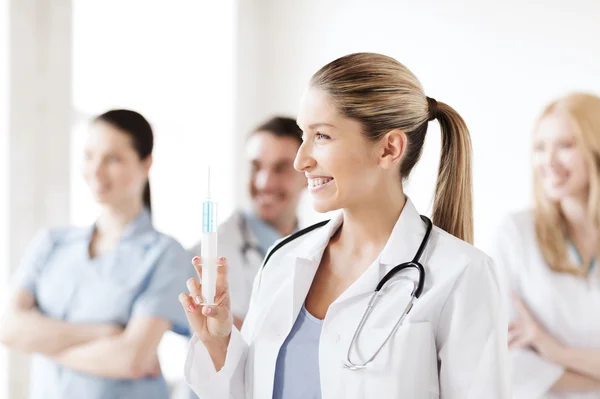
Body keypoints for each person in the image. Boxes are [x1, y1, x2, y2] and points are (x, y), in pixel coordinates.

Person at [180, 52, 510, 398]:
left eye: (321, 136)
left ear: (388, 149)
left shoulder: (461, 274)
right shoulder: (283, 260)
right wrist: (218, 343)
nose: (301, 160)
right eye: (303, 135)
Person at [0, 109, 190, 399]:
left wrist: (39, 342)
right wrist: (104, 335)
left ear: (146, 163)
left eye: (112, 159)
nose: (96, 170)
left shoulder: (165, 254)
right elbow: (8, 328)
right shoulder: (51, 243)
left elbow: (132, 359)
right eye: (89, 156)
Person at [490, 93, 600, 398]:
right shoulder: (515, 234)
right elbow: (505, 357)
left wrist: (555, 351)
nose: (548, 162)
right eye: (540, 148)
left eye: (565, 145)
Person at [189, 116, 307, 329]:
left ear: (308, 174)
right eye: (255, 167)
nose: (265, 182)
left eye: (281, 168)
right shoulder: (205, 256)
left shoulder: (319, 250)